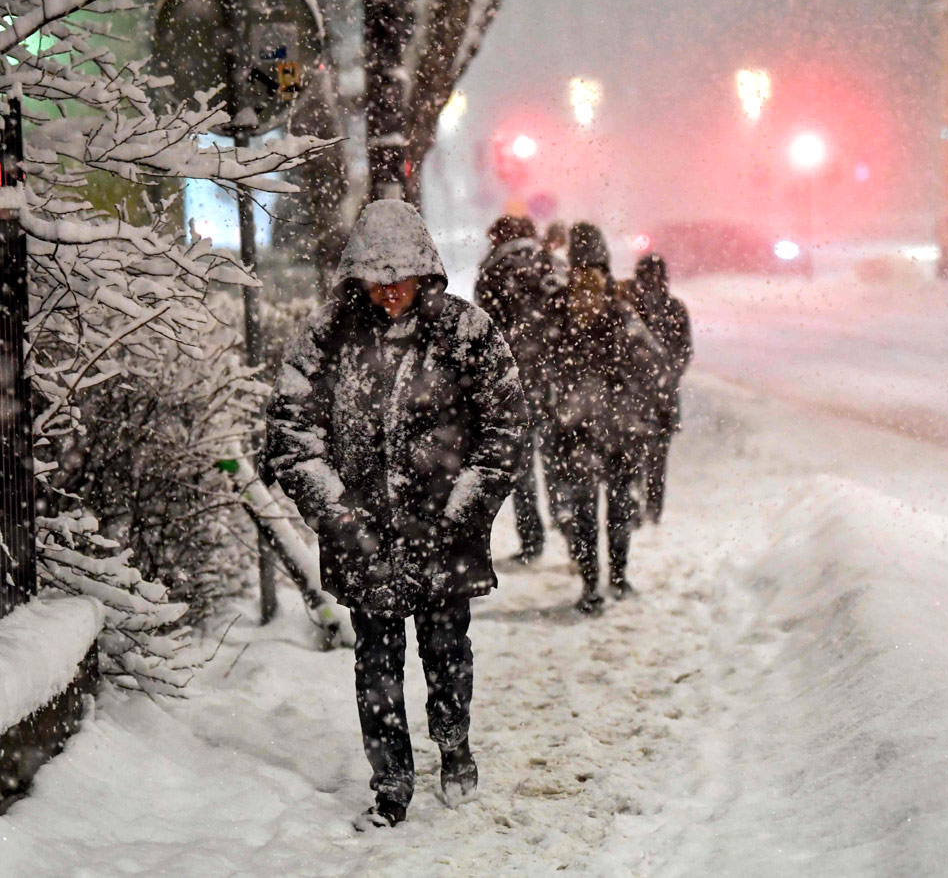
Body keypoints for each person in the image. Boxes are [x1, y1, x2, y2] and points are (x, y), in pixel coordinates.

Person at [263, 200, 527, 830]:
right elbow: (291, 437)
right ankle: (391, 784)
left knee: (446, 652)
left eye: (399, 278)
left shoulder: (466, 333)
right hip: (364, 543)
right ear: (355, 277)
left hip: (446, 536)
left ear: (423, 273)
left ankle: (453, 741)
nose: (388, 292)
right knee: (376, 663)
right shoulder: (323, 340)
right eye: (376, 280)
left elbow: (507, 429)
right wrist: (341, 518)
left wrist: (463, 507)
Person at [547, 222, 665, 614]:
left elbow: (542, 361)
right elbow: (649, 358)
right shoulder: (619, 306)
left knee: (587, 509)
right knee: (615, 505)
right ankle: (613, 577)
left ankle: (591, 584)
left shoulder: (561, 307)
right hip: (614, 425)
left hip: (581, 423)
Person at [474, 214, 559, 562]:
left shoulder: (492, 269)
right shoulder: (551, 264)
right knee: (560, 464)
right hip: (554, 380)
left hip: (513, 386)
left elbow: (483, 334)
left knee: (521, 470)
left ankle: (532, 540)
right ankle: (569, 526)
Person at [625, 254, 692, 521]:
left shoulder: (630, 308)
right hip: (663, 396)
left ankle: (637, 508)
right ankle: (652, 508)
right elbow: (684, 351)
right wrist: (668, 377)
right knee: (656, 459)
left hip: (636, 395)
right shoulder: (675, 308)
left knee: (635, 455)